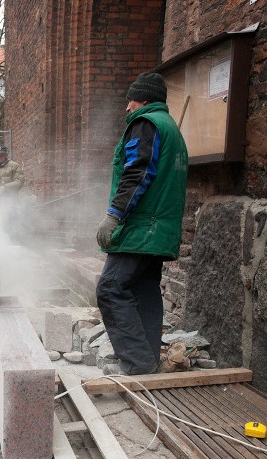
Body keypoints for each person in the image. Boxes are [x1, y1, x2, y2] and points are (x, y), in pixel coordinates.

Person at [95, 72, 188, 376]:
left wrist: (114, 216)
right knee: (145, 289)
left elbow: (137, 173)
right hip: (159, 229)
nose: (127, 107)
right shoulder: (169, 127)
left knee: (110, 288)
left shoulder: (145, 123)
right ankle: (148, 359)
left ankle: (138, 364)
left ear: (145, 100)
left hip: (142, 228)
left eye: (131, 100)